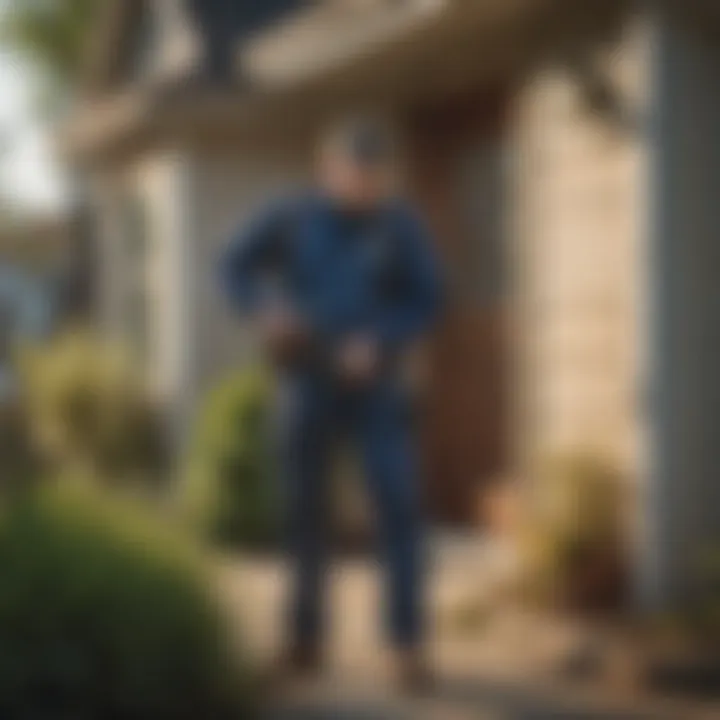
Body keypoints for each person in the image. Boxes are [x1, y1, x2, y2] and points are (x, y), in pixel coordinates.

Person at [219, 119, 443, 690]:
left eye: (374, 175)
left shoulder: (400, 227)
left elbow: (429, 298)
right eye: (354, 172)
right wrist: (266, 308)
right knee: (304, 517)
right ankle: (304, 641)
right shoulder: (289, 218)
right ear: (327, 170)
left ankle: (406, 645)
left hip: (376, 389)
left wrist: (383, 340)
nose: (365, 184)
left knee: (397, 509)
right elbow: (232, 267)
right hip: (305, 383)